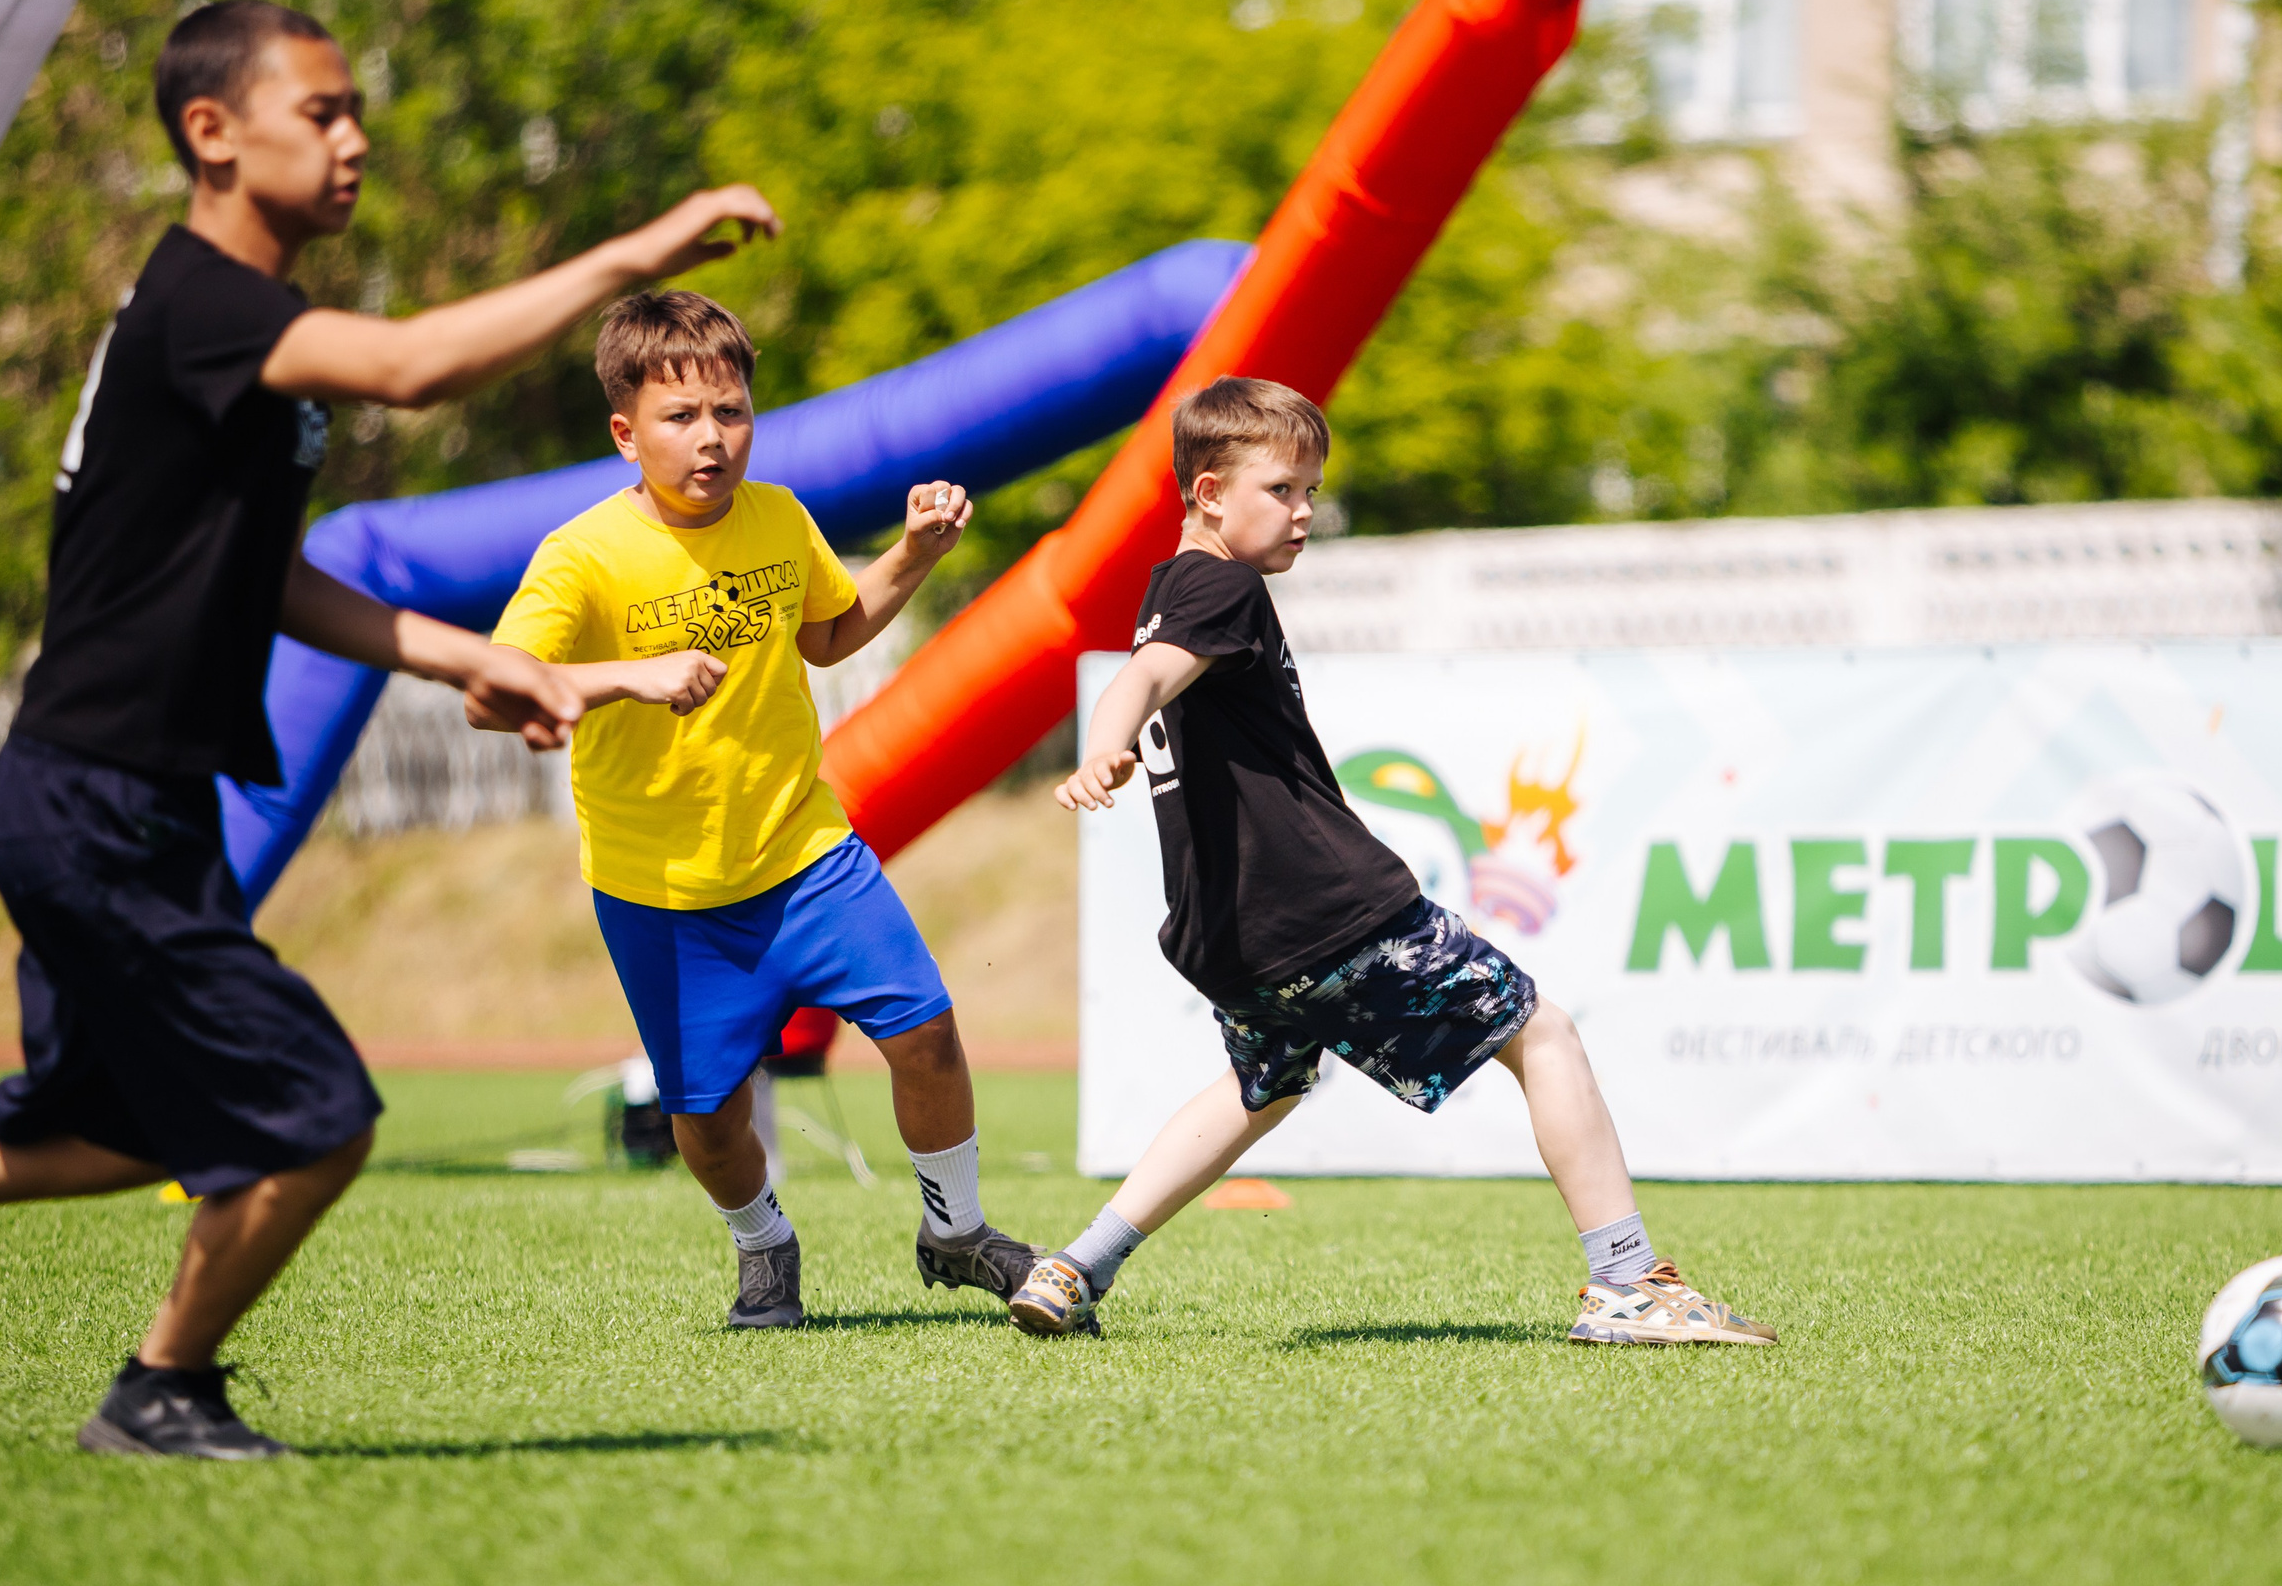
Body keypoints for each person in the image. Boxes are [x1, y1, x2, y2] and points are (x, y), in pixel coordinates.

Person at [0, 0, 792, 1459]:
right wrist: (642, 248)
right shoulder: (206, 304)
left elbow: (279, 580)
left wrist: (480, 664)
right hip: (99, 798)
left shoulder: (236, 343)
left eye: (354, 109)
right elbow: (417, 366)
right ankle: (161, 1388)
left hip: (130, 799)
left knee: (109, 1126)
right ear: (212, 134)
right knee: (314, 1112)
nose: (355, 137)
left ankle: (161, 1383)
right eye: (320, 112)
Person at [1018, 377, 1778, 1348]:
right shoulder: (1223, 584)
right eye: (1281, 490)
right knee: (1540, 1031)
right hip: (1326, 910)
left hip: (1232, 940)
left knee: (1267, 1084)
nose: (1304, 512)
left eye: (1310, 490)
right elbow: (1142, 680)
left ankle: (1077, 1264)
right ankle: (1628, 1281)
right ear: (1208, 494)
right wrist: (1101, 745)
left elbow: (1146, 668)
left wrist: (1109, 742)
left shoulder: (1170, 589)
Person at [483, 289, 1042, 1330]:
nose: (712, 438)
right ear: (625, 432)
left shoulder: (780, 517)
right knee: (706, 1114)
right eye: (682, 417)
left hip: (807, 853)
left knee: (926, 1031)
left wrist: (914, 551)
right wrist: (631, 675)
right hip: (662, 890)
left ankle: (957, 1231)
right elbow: (501, 678)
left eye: (731, 412)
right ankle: (762, 1245)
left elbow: (828, 635)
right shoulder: (582, 554)